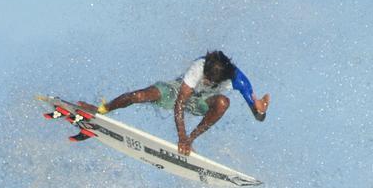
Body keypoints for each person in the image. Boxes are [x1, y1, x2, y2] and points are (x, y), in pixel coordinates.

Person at [91, 50, 270, 155]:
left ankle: (192, 140)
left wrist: (260, 111)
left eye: (209, 81)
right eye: (205, 78)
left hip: (203, 101)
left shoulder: (239, 81)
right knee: (137, 96)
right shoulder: (199, 67)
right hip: (177, 90)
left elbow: (258, 113)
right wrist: (181, 137)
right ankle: (102, 109)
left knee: (223, 102)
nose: (205, 81)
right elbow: (179, 103)